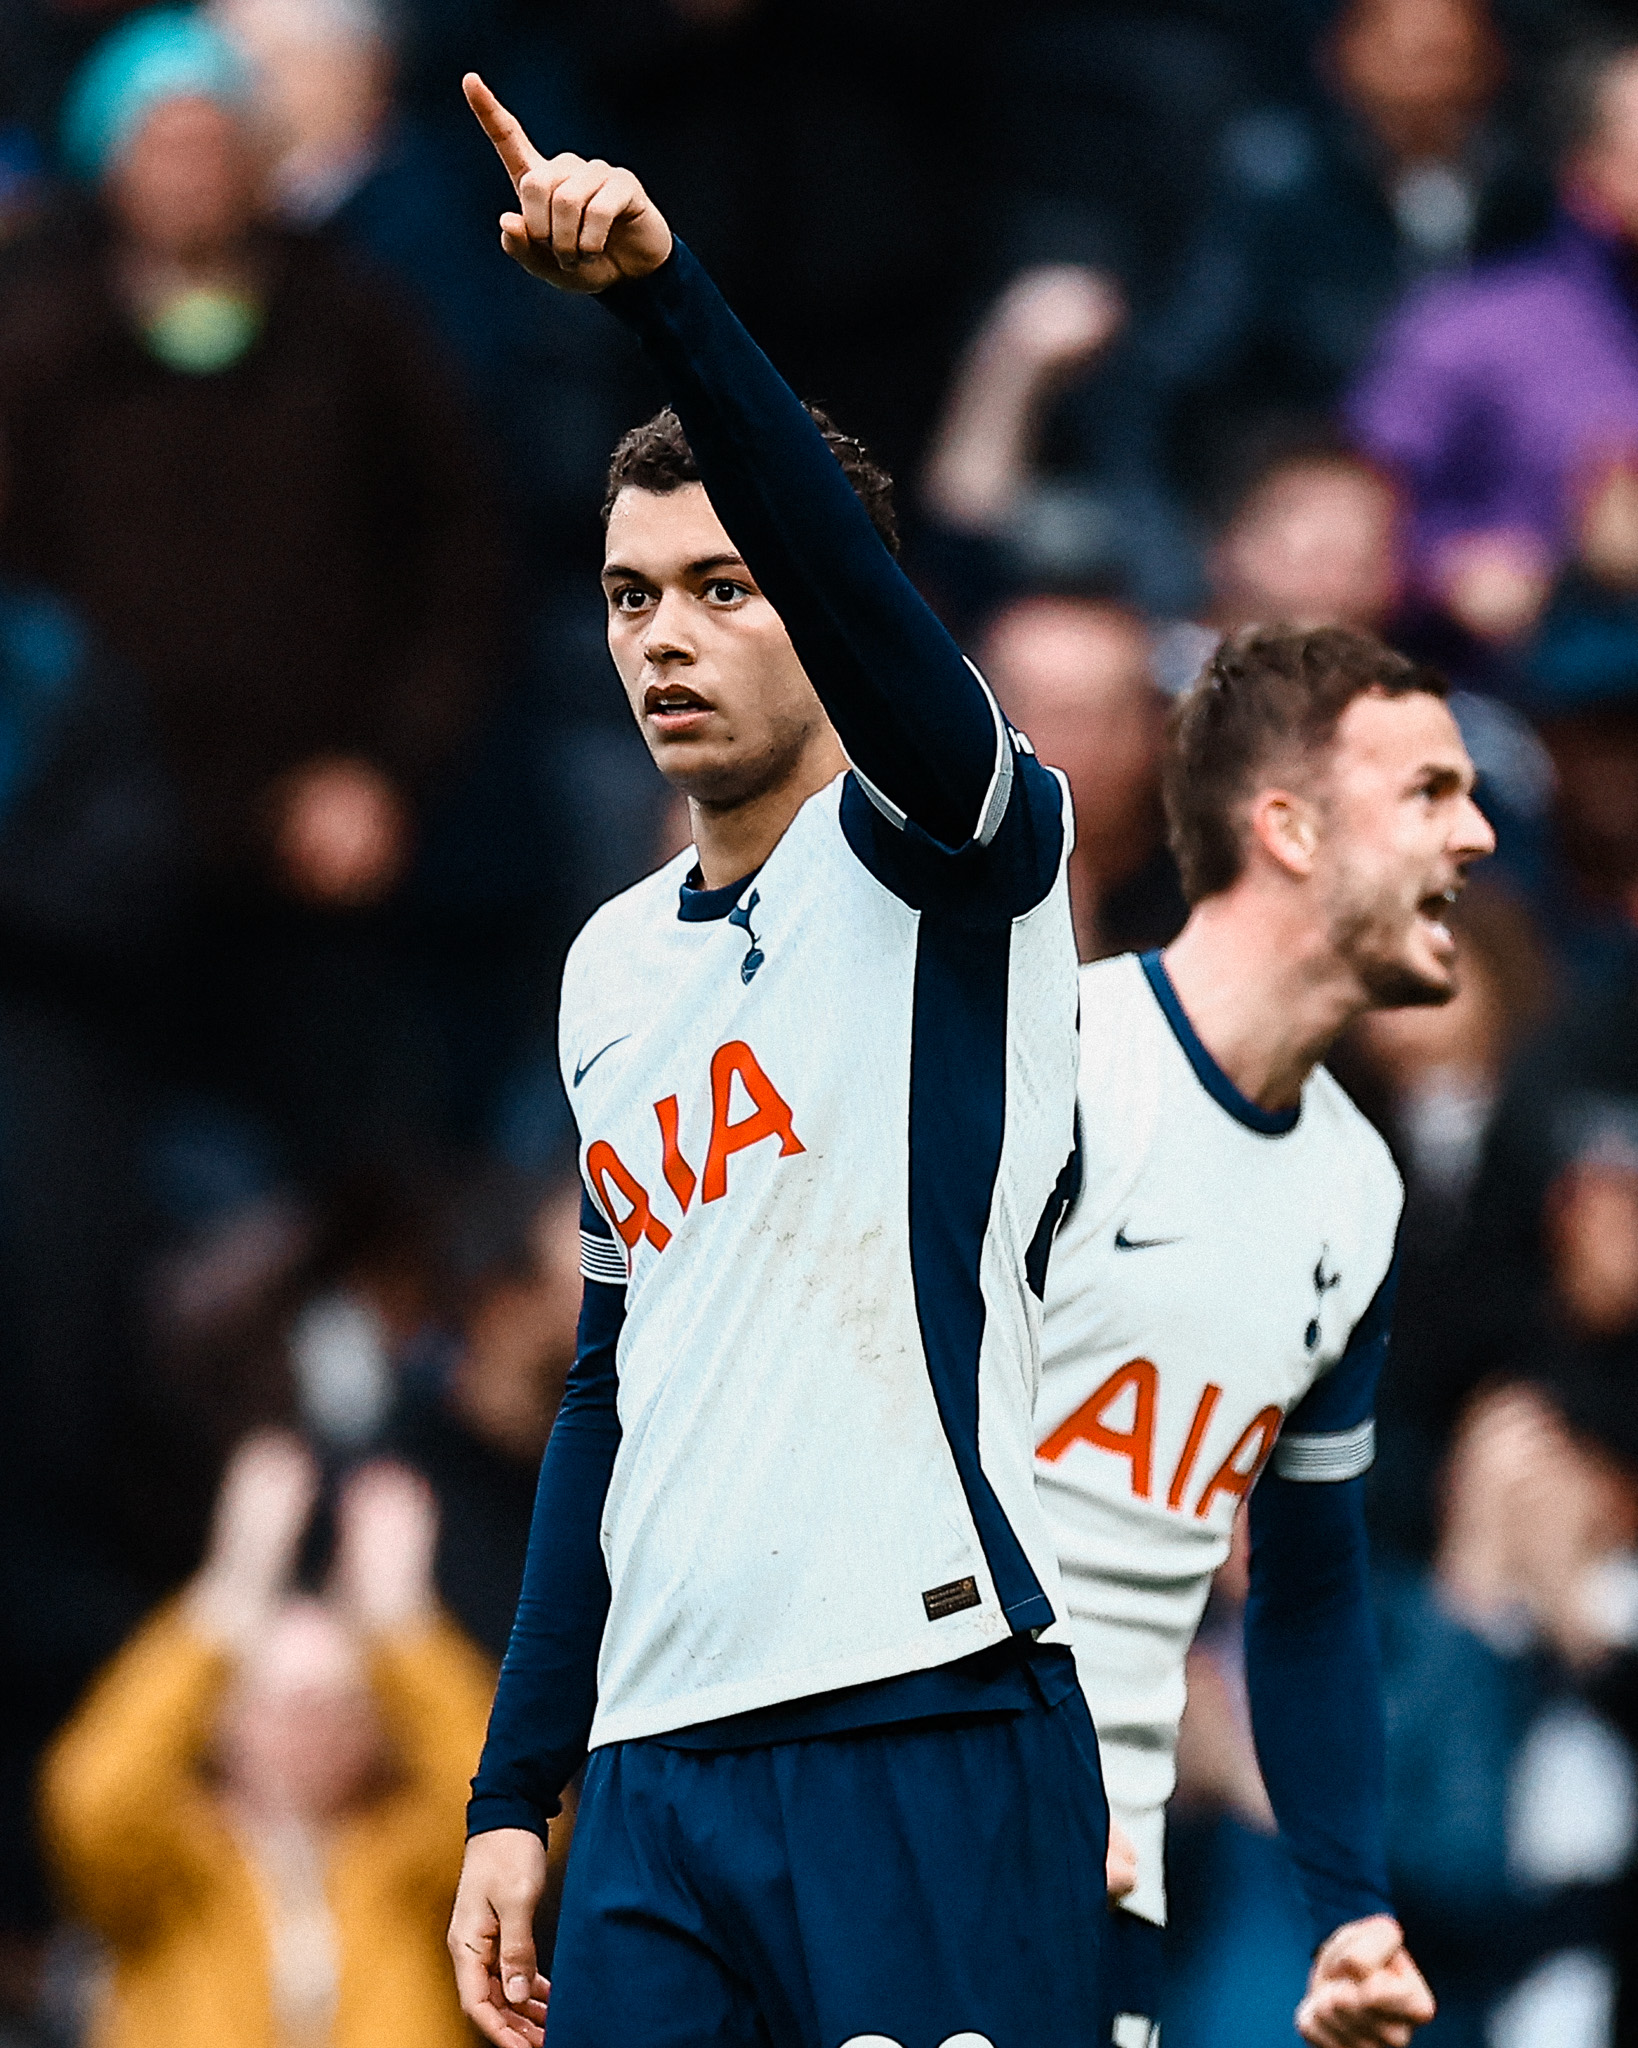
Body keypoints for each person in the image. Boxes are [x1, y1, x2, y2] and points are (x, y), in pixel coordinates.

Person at [446, 77, 1102, 2048]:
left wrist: (666, 302)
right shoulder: (606, 970)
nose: (669, 635)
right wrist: (512, 1783)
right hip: (654, 1768)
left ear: (819, 603)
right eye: (635, 595)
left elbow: (891, 649)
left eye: (727, 588)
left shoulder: (946, 842)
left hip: (927, 1709)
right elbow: (605, 1386)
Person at [1035, 627, 1493, 2045]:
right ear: (1286, 828)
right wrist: (984, 1764)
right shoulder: (1051, 1063)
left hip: (1102, 1883)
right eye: (1425, 791)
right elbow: (851, 1440)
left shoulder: (1354, 1191)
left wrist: (1347, 1908)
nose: (1474, 833)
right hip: (901, 1813)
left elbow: (1305, 1591)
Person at [39, 1433, 498, 2048]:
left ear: (379, 1732)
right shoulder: (169, 1866)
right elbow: (92, 1801)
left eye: (337, 1704)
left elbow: (510, 1819)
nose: (304, 1727)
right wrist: (227, 1596)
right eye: (277, 1700)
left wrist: (402, 1620)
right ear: (219, 1722)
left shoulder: (414, 1868)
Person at [1349, 38, 1638, 653]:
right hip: (1529, 691)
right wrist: (1451, 570)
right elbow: (1361, 509)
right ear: (1585, 169)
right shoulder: (1473, 328)